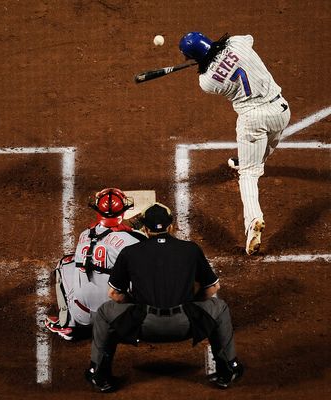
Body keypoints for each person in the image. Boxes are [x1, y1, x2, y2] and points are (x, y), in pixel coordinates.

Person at [84, 202, 243, 392]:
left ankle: (100, 375)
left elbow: (114, 294)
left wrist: (135, 305)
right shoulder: (191, 249)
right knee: (220, 307)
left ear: (144, 229)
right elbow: (212, 288)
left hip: (143, 326)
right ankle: (228, 370)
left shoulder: (130, 252)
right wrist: (192, 304)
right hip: (185, 325)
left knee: (104, 312)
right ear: (171, 227)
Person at [178, 32, 291, 255]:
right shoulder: (237, 42)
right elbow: (248, 38)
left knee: (248, 174)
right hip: (281, 111)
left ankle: (253, 221)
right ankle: (249, 158)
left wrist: (203, 63)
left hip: (253, 120)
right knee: (265, 147)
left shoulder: (207, 82)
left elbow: (214, 70)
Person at [44, 188, 146, 340]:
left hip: (82, 316)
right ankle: (143, 321)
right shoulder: (132, 239)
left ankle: (67, 322)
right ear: (123, 211)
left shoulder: (85, 234)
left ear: (98, 210)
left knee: (66, 264)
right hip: (116, 316)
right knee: (140, 270)